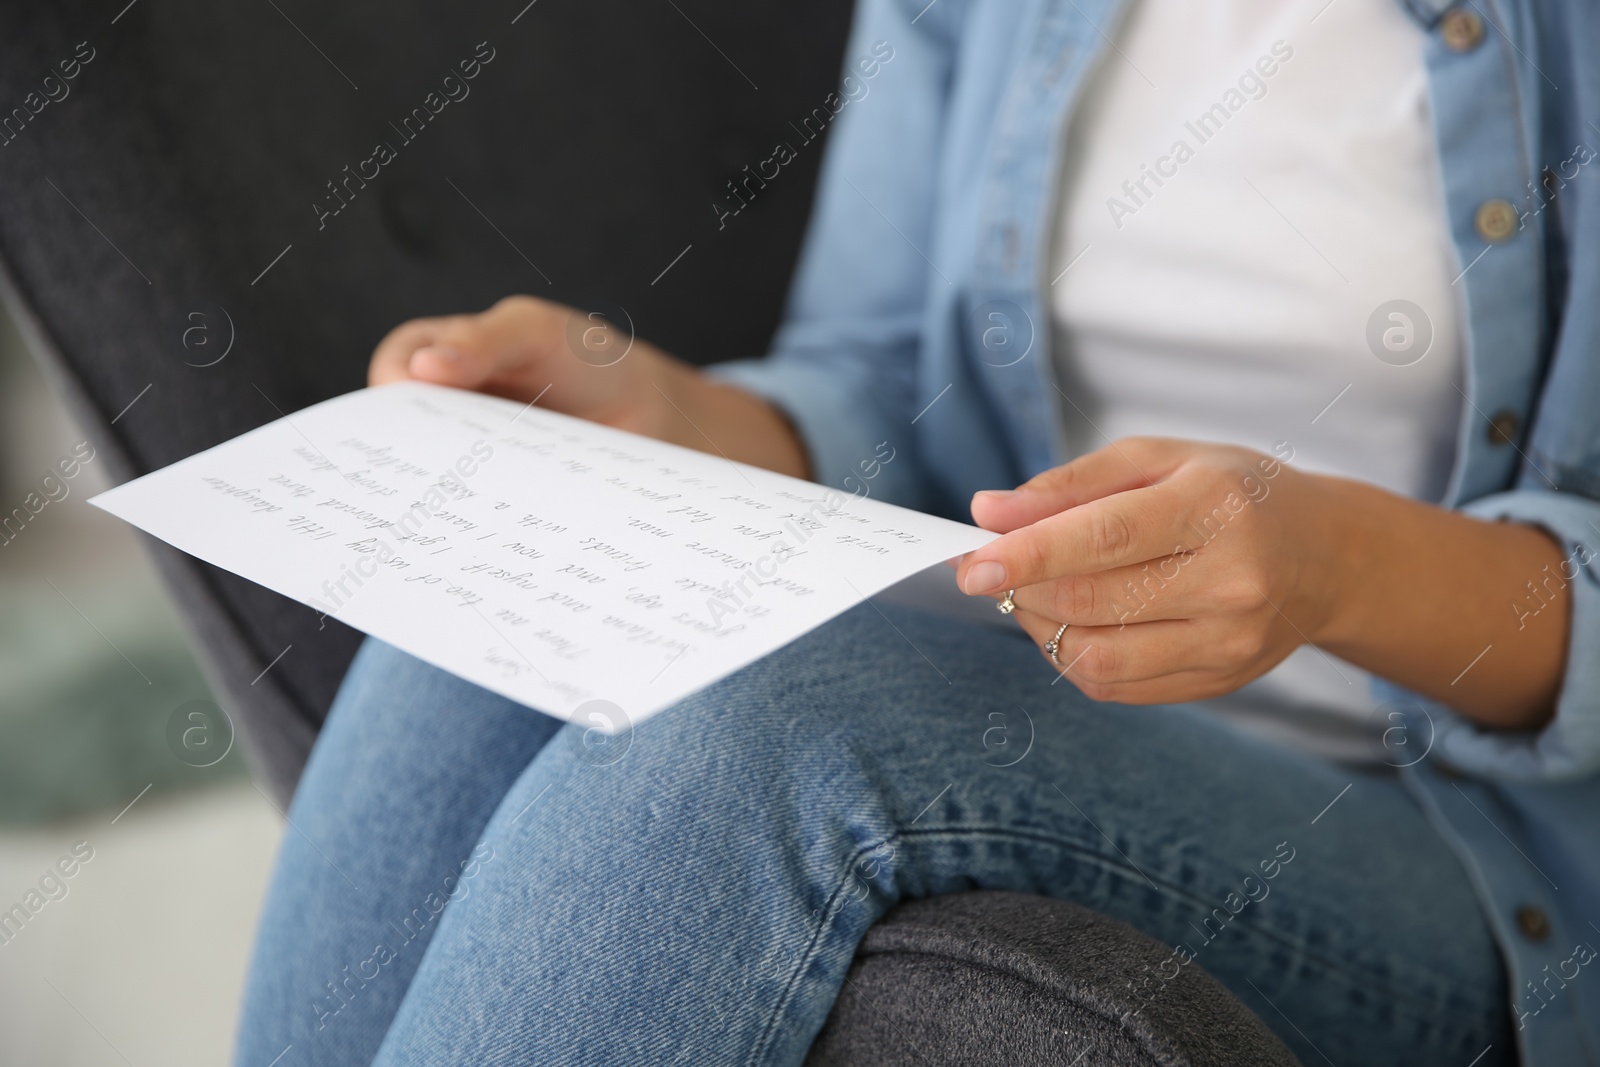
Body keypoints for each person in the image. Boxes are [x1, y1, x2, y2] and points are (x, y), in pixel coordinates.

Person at [232, 0, 1600, 1063]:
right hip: (1032, 686)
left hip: (1461, 839)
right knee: (488, 614)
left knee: (767, 739)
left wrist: (1340, 565)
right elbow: (887, 380)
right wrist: (677, 418)